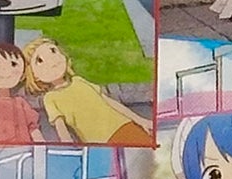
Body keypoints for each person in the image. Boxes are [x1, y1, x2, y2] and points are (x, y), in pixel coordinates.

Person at [23, 37, 153, 147]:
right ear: (35, 76)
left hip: (125, 126)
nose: (52, 60)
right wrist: (69, 149)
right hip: (103, 142)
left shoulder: (79, 80)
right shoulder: (50, 98)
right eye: (40, 60)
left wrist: (141, 120)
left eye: (53, 51)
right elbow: (61, 129)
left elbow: (109, 102)